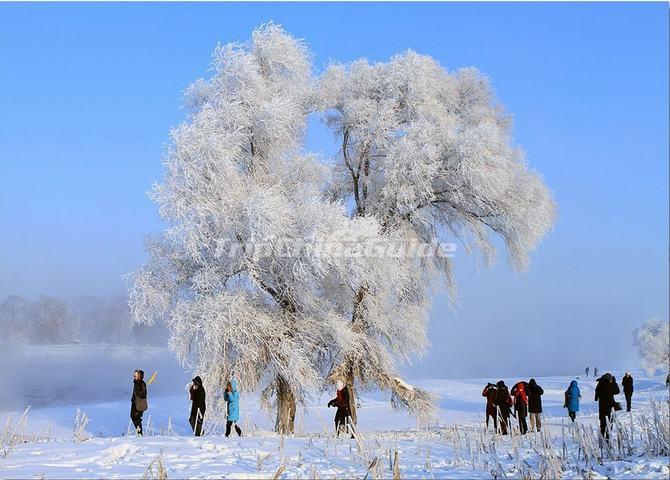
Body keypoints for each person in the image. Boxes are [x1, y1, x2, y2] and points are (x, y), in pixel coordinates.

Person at [595, 372, 620, 438]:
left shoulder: (601, 383)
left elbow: (597, 391)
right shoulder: (609, 384)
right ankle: (607, 439)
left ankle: (602, 438)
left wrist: (596, 397)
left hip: (602, 405)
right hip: (609, 405)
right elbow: (617, 391)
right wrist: (613, 382)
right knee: (609, 422)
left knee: (602, 423)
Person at [130, 369, 147, 436]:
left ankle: (139, 433)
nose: (134, 375)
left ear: (139, 375)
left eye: (136, 374)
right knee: (133, 417)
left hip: (139, 404)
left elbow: (143, 394)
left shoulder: (142, 383)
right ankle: (139, 432)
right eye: (134, 374)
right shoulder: (136, 382)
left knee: (137, 418)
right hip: (134, 403)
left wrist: (137, 392)